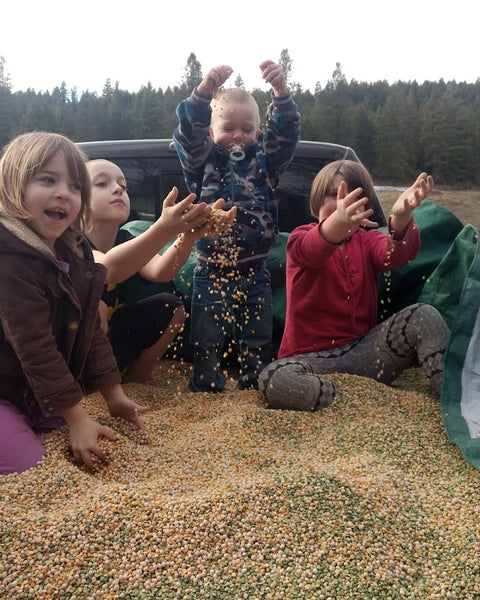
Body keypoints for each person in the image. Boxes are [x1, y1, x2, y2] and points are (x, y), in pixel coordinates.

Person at [0, 132, 149, 475]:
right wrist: (78, 417)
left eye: (75, 186)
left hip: (23, 388)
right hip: (8, 383)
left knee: (62, 427)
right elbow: (35, 347)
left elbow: (90, 330)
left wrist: (113, 393)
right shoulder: (10, 257)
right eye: (48, 180)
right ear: (13, 186)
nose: (64, 193)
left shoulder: (73, 250)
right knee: (29, 465)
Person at [258, 160, 450, 411]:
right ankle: (340, 402)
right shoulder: (300, 237)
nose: (343, 204)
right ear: (316, 203)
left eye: (353, 197)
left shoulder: (369, 241)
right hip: (310, 361)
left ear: (366, 209)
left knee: (423, 315)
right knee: (273, 379)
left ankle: (453, 393)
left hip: (365, 356)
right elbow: (312, 250)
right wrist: (339, 219)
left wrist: (401, 219)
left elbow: (394, 255)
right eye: (333, 195)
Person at [173, 60, 301, 392]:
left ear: (258, 133)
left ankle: (253, 385)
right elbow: (188, 136)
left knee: (257, 334)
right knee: (206, 334)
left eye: (247, 129)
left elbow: (285, 135)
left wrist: (281, 93)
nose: (238, 135)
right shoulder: (202, 162)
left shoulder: (265, 162)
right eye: (228, 127)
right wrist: (203, 93)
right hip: (211, 268)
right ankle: (205, 385)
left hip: (254, 271)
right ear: (211, 132)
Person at [86, 159, 236, 383]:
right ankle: (91, 383)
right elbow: (108, 269)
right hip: (70, 352)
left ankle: (135, 382)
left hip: (110, 342)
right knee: (95, 311)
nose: (118, 189)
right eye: (101, 184)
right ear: (77, 200)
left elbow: (161, 272)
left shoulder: (125, 240)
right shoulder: (71, 244)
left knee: (171, 306)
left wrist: (188, 235)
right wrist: (163, 228)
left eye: (123, 186)